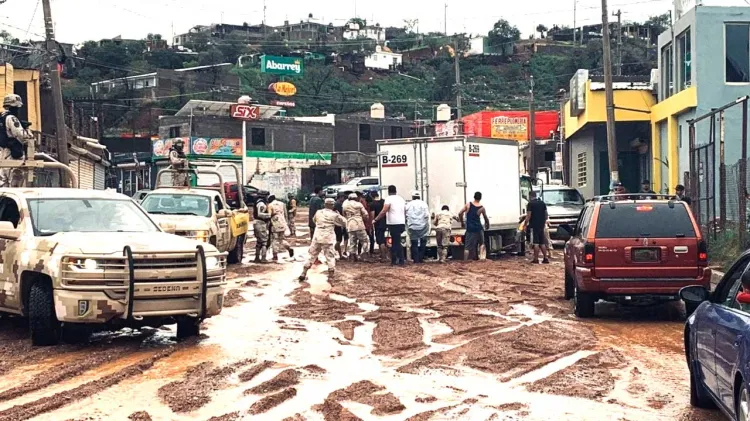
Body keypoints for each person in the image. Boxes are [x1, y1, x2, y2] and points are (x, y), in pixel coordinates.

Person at [298, 198, 347, 282]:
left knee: (312, 255)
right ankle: (331, 276)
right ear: (333, 205)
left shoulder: (318, 212)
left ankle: (304, 272)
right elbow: (345, 223)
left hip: (317, 237)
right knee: (330, 257)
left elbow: (314, 220)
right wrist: (339, 215)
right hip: (328, 238)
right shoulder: (334, 215)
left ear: (324, 204)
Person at [0, 94, 33, 187]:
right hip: (13, 153)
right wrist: (27, 130)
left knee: (3, 183)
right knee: (15, 183)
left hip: (2, 152)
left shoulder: (1, 117)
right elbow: (22, 135)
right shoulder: (12, 118)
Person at [373, 185, 406, 266]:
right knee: (396, 241)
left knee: (395, 242)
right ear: (396, 191)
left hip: (393, 223)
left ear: (388, 191)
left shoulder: (388, 199)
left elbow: (384, 211)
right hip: (401, 222)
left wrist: (376, 219)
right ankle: (397, 260)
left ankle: (397, 260)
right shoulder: (401, 199)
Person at [459, 192, 490, 261]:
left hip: (470, 228)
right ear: (480, 198)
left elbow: (460, 213)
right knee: (481, 243)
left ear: (474, 197)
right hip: (479, 228)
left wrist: (462, 222)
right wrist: (487, 224)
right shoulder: (482, 208)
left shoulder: (468, 205)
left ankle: (465, 260)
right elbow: (485, 218)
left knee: (467, 246)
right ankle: (482, 258)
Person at [524, 191, 550, 264]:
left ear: (530, 196)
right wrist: (543, 222)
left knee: (536, 243)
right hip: (541, 225)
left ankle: (536, 259)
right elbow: (546, 215)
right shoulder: (542, 203)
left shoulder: (530, 204)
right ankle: (545, 258)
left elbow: (528, 215)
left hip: (534, 226)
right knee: (542, 242)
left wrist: (525, 225)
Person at [343, 193, 370, 262]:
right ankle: (365, 255)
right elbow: (366, 214)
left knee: (352, 241)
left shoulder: (345, 205)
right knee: (364, 240)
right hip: (359, 224)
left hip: (350, 225)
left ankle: (352, 257)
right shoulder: (359, 204)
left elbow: (344, 214)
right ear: (356, 198)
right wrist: (364, 219)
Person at [406, 191, 430, 263]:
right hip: (422, 227)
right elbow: (426, 215)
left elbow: (406, 214)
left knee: (414, 243)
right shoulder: (424, 204)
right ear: (419, 197)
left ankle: (416, 260)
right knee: (423, 242)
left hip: (412, 227)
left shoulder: (408, 204)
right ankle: (421, 258)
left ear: (412, 197)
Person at [268, 195, 294, 261]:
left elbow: (269, 215)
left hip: (275, 224)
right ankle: (289, 248)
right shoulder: (282, 204)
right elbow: (285, 214)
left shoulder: (270, 205)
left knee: (275, 239)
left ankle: (275, 255)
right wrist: (286, 223)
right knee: (282, 239)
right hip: (282, 223)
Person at [369, 191, 388, 262]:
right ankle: (383, 255)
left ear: (371, 196)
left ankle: (384, 257)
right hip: (385, 223)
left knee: (380, 241)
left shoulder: (372, 204)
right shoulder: (383, 201)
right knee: (383, 239)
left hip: (378, 224)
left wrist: (372, 223)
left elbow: (372, 215)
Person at [253, 198, 271, 263]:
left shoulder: (257, 202)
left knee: (258, 242)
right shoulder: (262, 204)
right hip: (260, 223)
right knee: (264, 242)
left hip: (256, 223)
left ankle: (257, 258)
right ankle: (263, 258)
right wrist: (269, 215)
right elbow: (260, 214)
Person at [333, 192, 349, 258]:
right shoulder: (339, 205)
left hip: (337, 224)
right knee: (343, 238)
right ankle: (342, 251)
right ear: (341, 197)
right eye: (343, 197)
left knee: (340, 239)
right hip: (341, 223)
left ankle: (341, 253)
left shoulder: (335, 204)